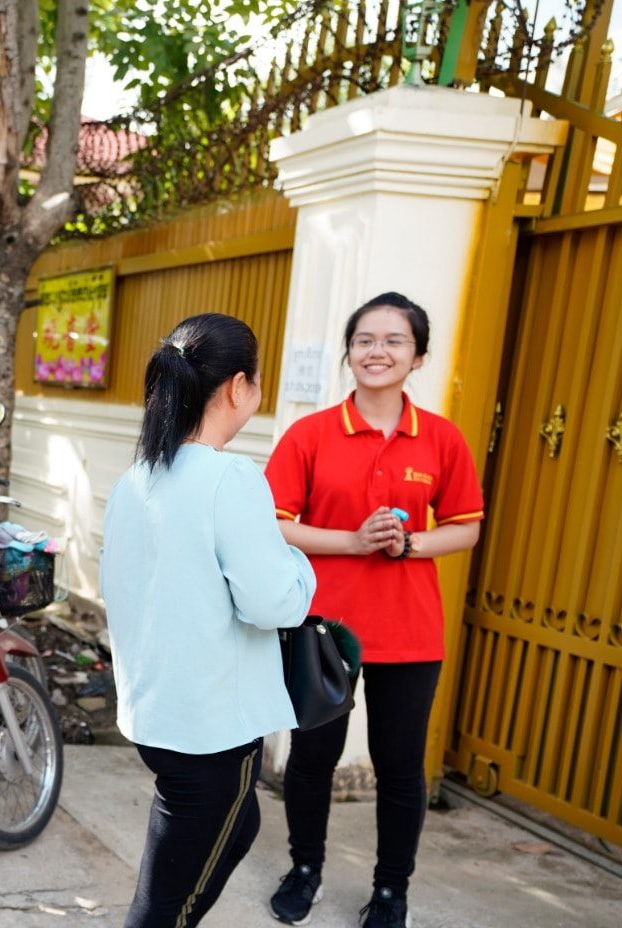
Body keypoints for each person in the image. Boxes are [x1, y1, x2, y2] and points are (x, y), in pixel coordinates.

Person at [263, 293, 484, 928]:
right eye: (364, 339)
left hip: (410, 632)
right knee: (311, 758)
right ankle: (305, 869)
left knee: (399, 767)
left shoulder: (441, 438)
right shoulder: (310, 434)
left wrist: (409, 544)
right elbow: (276, 524)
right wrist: (352, 542)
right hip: (323, 627)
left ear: (418, 356)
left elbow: (466, 527)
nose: (376, 351)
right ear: (349, 351)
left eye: (393, 341)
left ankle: (392, 891)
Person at [100, 313, 315, 928]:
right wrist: (297, 560)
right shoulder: (231, 478)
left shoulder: (135, 480)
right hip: (211, 730)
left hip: (157, 715)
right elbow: (274, 601)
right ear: (237, 386)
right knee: (166, 905)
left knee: (233, 825)